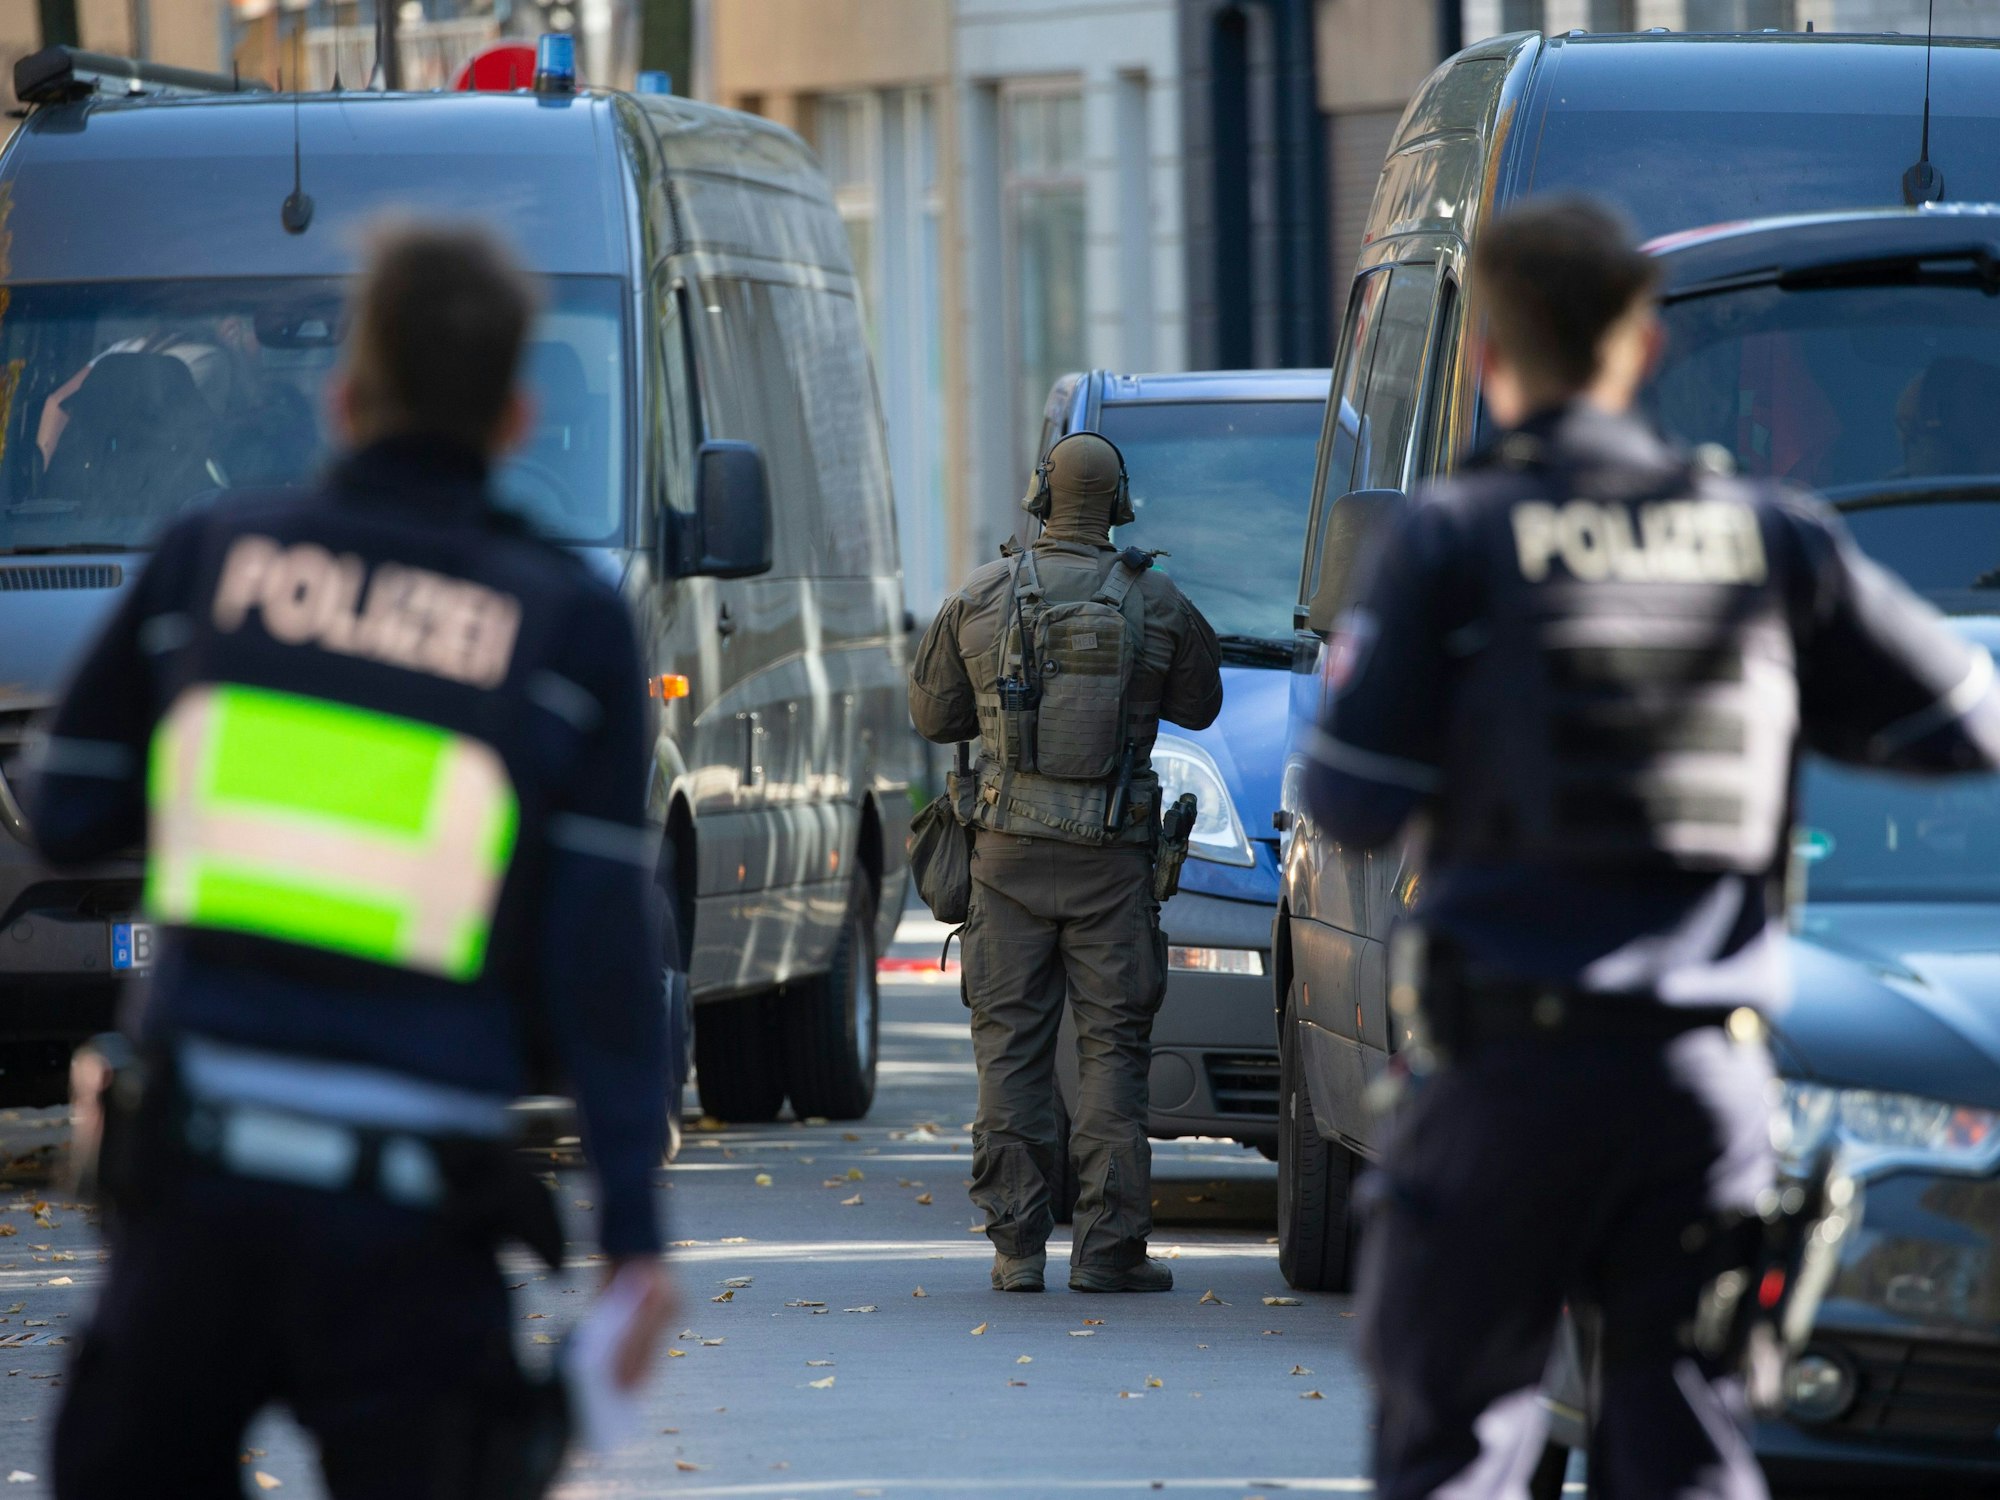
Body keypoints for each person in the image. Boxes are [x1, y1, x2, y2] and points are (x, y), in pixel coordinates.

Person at [1304, 196, 2000, 1499]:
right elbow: (1964, 724)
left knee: (1455, 1448)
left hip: (1505, 1080)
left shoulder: (1453, 542)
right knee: (1682, 1443)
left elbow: (1347, 801)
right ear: (1643, 346)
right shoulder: (1769, 541)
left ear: (1495, 360)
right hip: (1700, 1091)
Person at [29, 223, 677, 1499]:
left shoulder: (214, 562)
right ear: (511, 414)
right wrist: (635, 1240)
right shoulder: (568, 626)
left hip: (195, 1212)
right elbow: (605, 960)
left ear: (343, 395)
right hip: (408, 1241)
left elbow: (63, 808)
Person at [909, 432, 1223, 1294]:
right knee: (1111, 1054)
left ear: (1040, 497)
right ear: (1120, 504)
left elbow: (934, 718)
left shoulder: (982, 594)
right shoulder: (1154, 600)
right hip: (1113, 868)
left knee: (1009, 1053)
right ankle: (1109, 1250)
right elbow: (1203, 702)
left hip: (1005, 861)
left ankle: (1016, 1250)